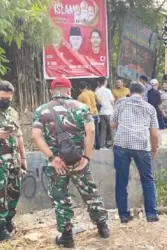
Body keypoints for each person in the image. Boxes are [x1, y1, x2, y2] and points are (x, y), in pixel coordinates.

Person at [31, 77, 109, 248]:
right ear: (69, 90)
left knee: (60, 197)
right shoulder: (81, 108)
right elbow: (91, 131)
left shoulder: (42, 110)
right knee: (90, 192)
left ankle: (66, 236)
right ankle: (102, 227)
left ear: (51, 91)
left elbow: (36, 136)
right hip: (78, 160)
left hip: (57, 164)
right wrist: (86, 158)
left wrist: (53, 158)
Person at [110, 82, 160, 224]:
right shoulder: (149, 108)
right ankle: (151, 214)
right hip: (142, 145)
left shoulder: (120, 103)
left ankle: (124, 216)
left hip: (121, 145)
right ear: (143, 93)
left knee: (121, 181)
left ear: (129, 92)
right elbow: (155, 134)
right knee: (148, 180)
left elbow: (112, 124)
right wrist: (154, 149)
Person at [0, 81, 26, 241]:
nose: (5, 101)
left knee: (14, 191)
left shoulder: (13, 113)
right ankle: (1, 227)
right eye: (2, 98)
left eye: (8, 99)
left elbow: (19, 135)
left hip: (14, 161)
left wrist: (23, 157)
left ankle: (8, 220)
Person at [77, 81, 100, 150]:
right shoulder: (92, 93)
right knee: (96, 131)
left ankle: (90, 146)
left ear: (79, 89)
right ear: (86, 87)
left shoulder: (80, 96)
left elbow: (78, 107)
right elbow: (99, 101)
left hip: (87, 115)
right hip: (95, 114)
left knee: (87, 132)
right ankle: (98, 146)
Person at [95, 77, 115, 149]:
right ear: (105, 82)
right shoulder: (108, 91)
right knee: (113, 129)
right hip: (109, 111)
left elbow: (97, 102)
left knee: (103, 129)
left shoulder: (96, 91)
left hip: (101, 112)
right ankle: (115, 144)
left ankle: (102, 145)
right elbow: (112, 101)